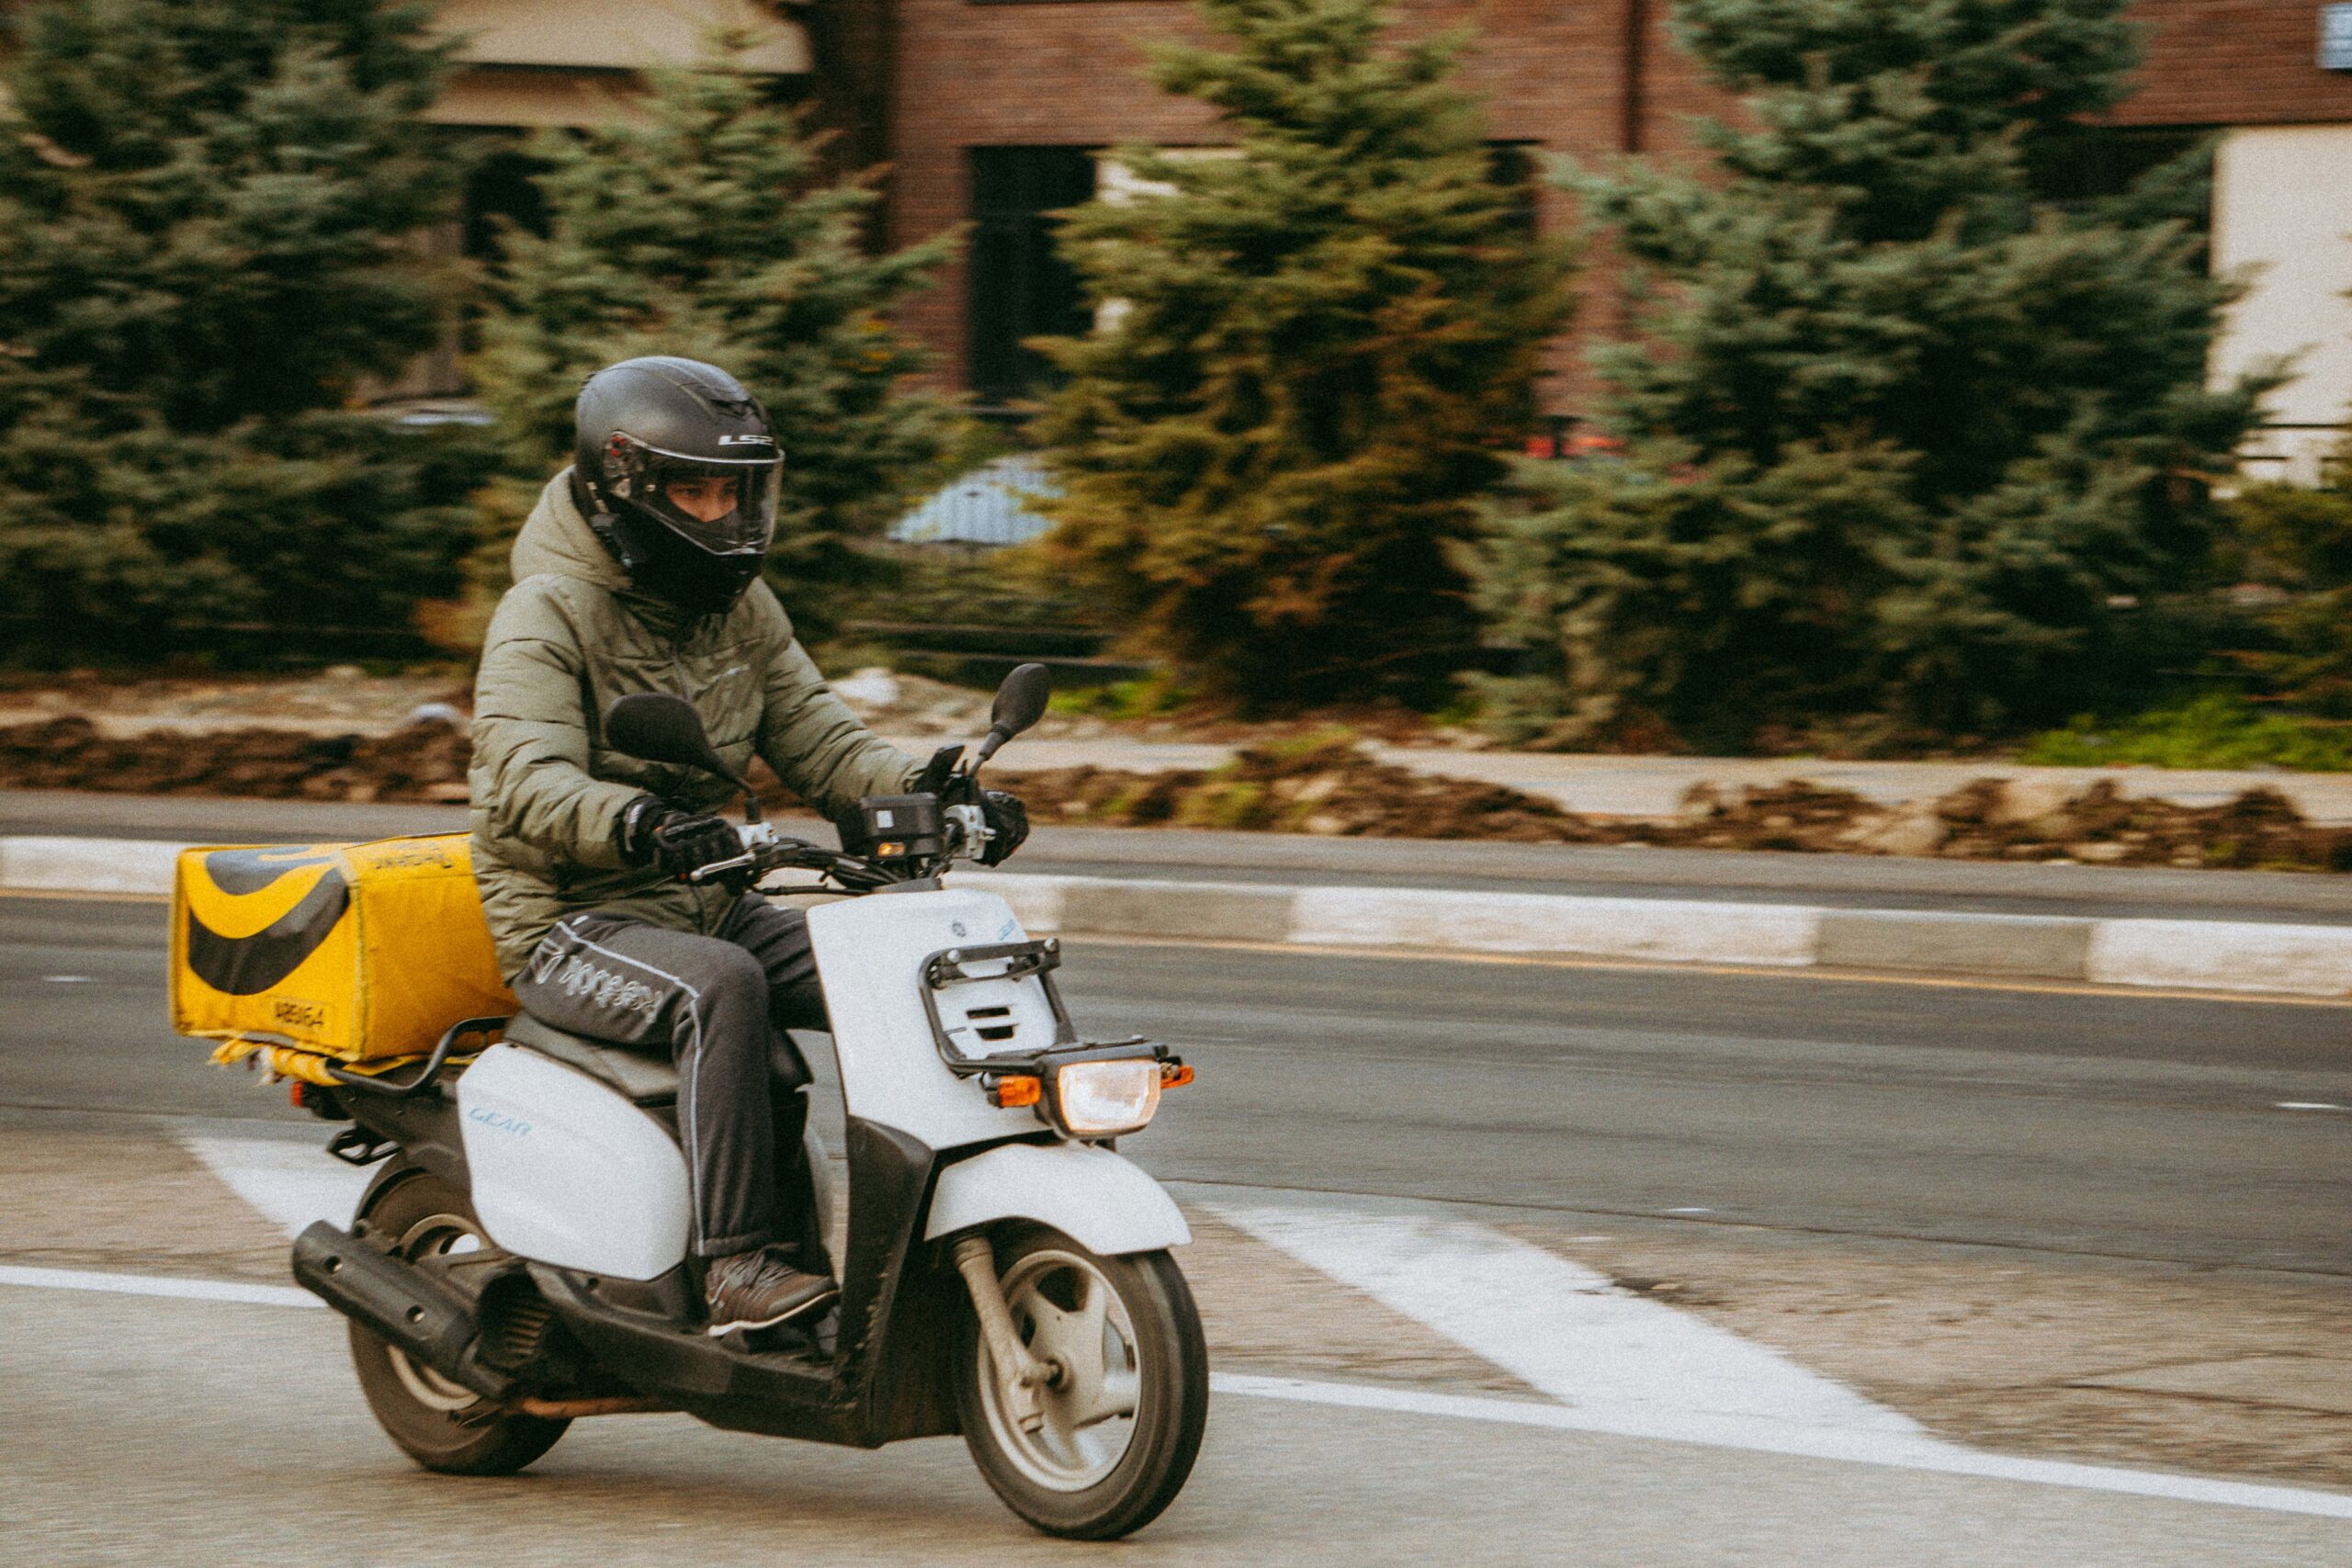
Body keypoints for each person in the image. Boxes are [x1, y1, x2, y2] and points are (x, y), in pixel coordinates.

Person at [468, 355, 1028, 1335]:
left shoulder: (740, 608)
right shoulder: (545, 613)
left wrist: (934, 791)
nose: (722, 514)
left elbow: (821, 737)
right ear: (621, 487)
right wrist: (635, 819)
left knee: (909, 968)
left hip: (704, 898)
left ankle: (965, 1222)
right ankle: (736, 1268)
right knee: (722, 984)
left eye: (734, 490)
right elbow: (523, 779)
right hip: (572, 919)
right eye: (695, 489)